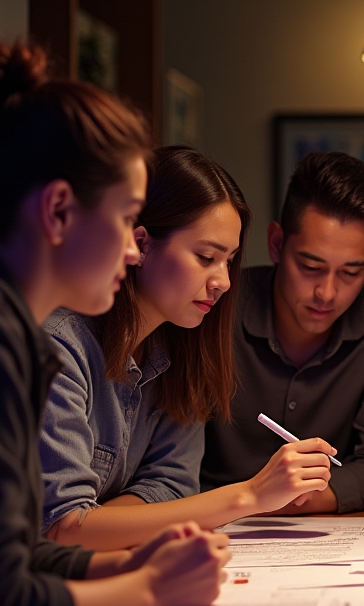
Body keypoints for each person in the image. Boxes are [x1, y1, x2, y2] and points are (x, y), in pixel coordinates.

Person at [0, 40, 229, 606]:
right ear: (59, 211)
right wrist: (150, 590)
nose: (132, 247)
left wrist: (121, 566)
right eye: (125, 219)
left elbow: (13, 553)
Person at [40, 146, 336, 551]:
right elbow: (63, 527)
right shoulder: (60, 346)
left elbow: (172, 483)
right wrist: (249, 496)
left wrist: (107, 523)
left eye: (229, 261)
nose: (224, 281)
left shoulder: (181, 346)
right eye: (206, 257)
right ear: (140, 245)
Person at [201, 151, 364, 514]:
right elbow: (172, 469)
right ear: (276, 244)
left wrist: (274, 501)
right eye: (311, 266)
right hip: (210, 530)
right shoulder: (214, 305)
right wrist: (250, 499)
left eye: (351, 272)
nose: (327, 292)